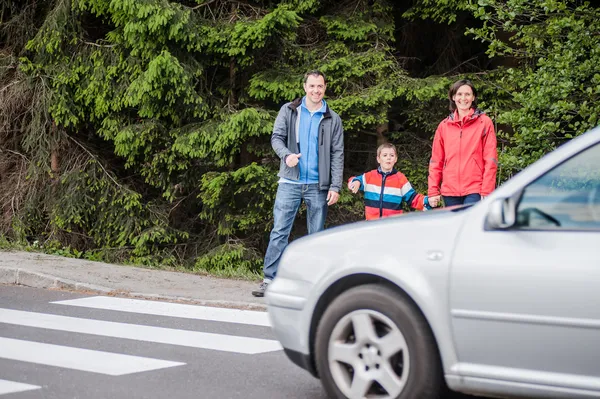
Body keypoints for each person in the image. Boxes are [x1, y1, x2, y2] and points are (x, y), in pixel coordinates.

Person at [252, 70, 344, 297]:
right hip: (289, 182)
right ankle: (269, 279)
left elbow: (337, 153)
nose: (316, 90)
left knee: (316, 237)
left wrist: (335, 186)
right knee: (280, 231)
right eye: (312, 86)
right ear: (304, 87)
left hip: (318, 185)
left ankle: (313, 284)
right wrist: (286, 156)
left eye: (320, 86)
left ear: (325, 87)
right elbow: (276, 138)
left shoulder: (332, 118)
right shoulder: (289, 110)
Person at [428, 79, 498, 207]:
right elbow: (436, 160)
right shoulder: (444, 126)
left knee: (471, 226)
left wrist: (487, 189)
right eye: (459, 94)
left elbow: (490, 159)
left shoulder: (484, 122)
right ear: (453, 97)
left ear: (473, 97)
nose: (463, 98)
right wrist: (433, 190)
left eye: (467, 94)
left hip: (475, 189)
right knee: (454, 227)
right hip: (449, 191)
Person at [348, 143, 439, 220]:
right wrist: (356, 182)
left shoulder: (400, 178)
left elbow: (413, 198)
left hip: (393, 225)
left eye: (392, 155)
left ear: (395, 159)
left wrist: (427, 201)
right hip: (372, 225)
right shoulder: (370, 176)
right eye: (385, 155)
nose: (388, 158)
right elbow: (354, 180)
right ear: (378, 159)